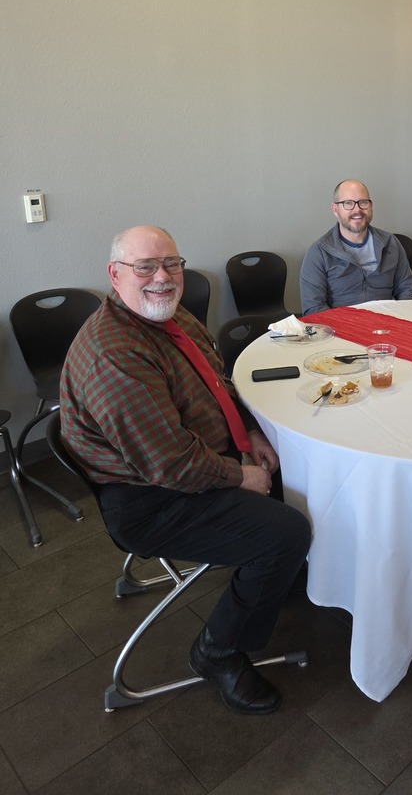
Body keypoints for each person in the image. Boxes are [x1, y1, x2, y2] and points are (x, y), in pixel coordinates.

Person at [60, 226, 311, 716]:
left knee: (295, 467)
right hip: (152, 499)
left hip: (193, 461)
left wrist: (250, 436)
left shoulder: (172, 318)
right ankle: (216, 652)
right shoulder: (116, 354)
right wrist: (241, 475)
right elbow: (169, 462)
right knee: (285, 532)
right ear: (115, 276)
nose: (162, 277)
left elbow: (218, 384)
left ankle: (278, 578)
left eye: (171, 264)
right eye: (145, 267)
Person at [299, 179, 412, 315]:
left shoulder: (391, 243)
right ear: (335, 210)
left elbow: (407, 288)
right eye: (348, 203)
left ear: (371, 206)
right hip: (342, 329)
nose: (357, 210)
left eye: (363, 202)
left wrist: (402, 319)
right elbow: (313, 309)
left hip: (389, 325)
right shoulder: (319, 252)